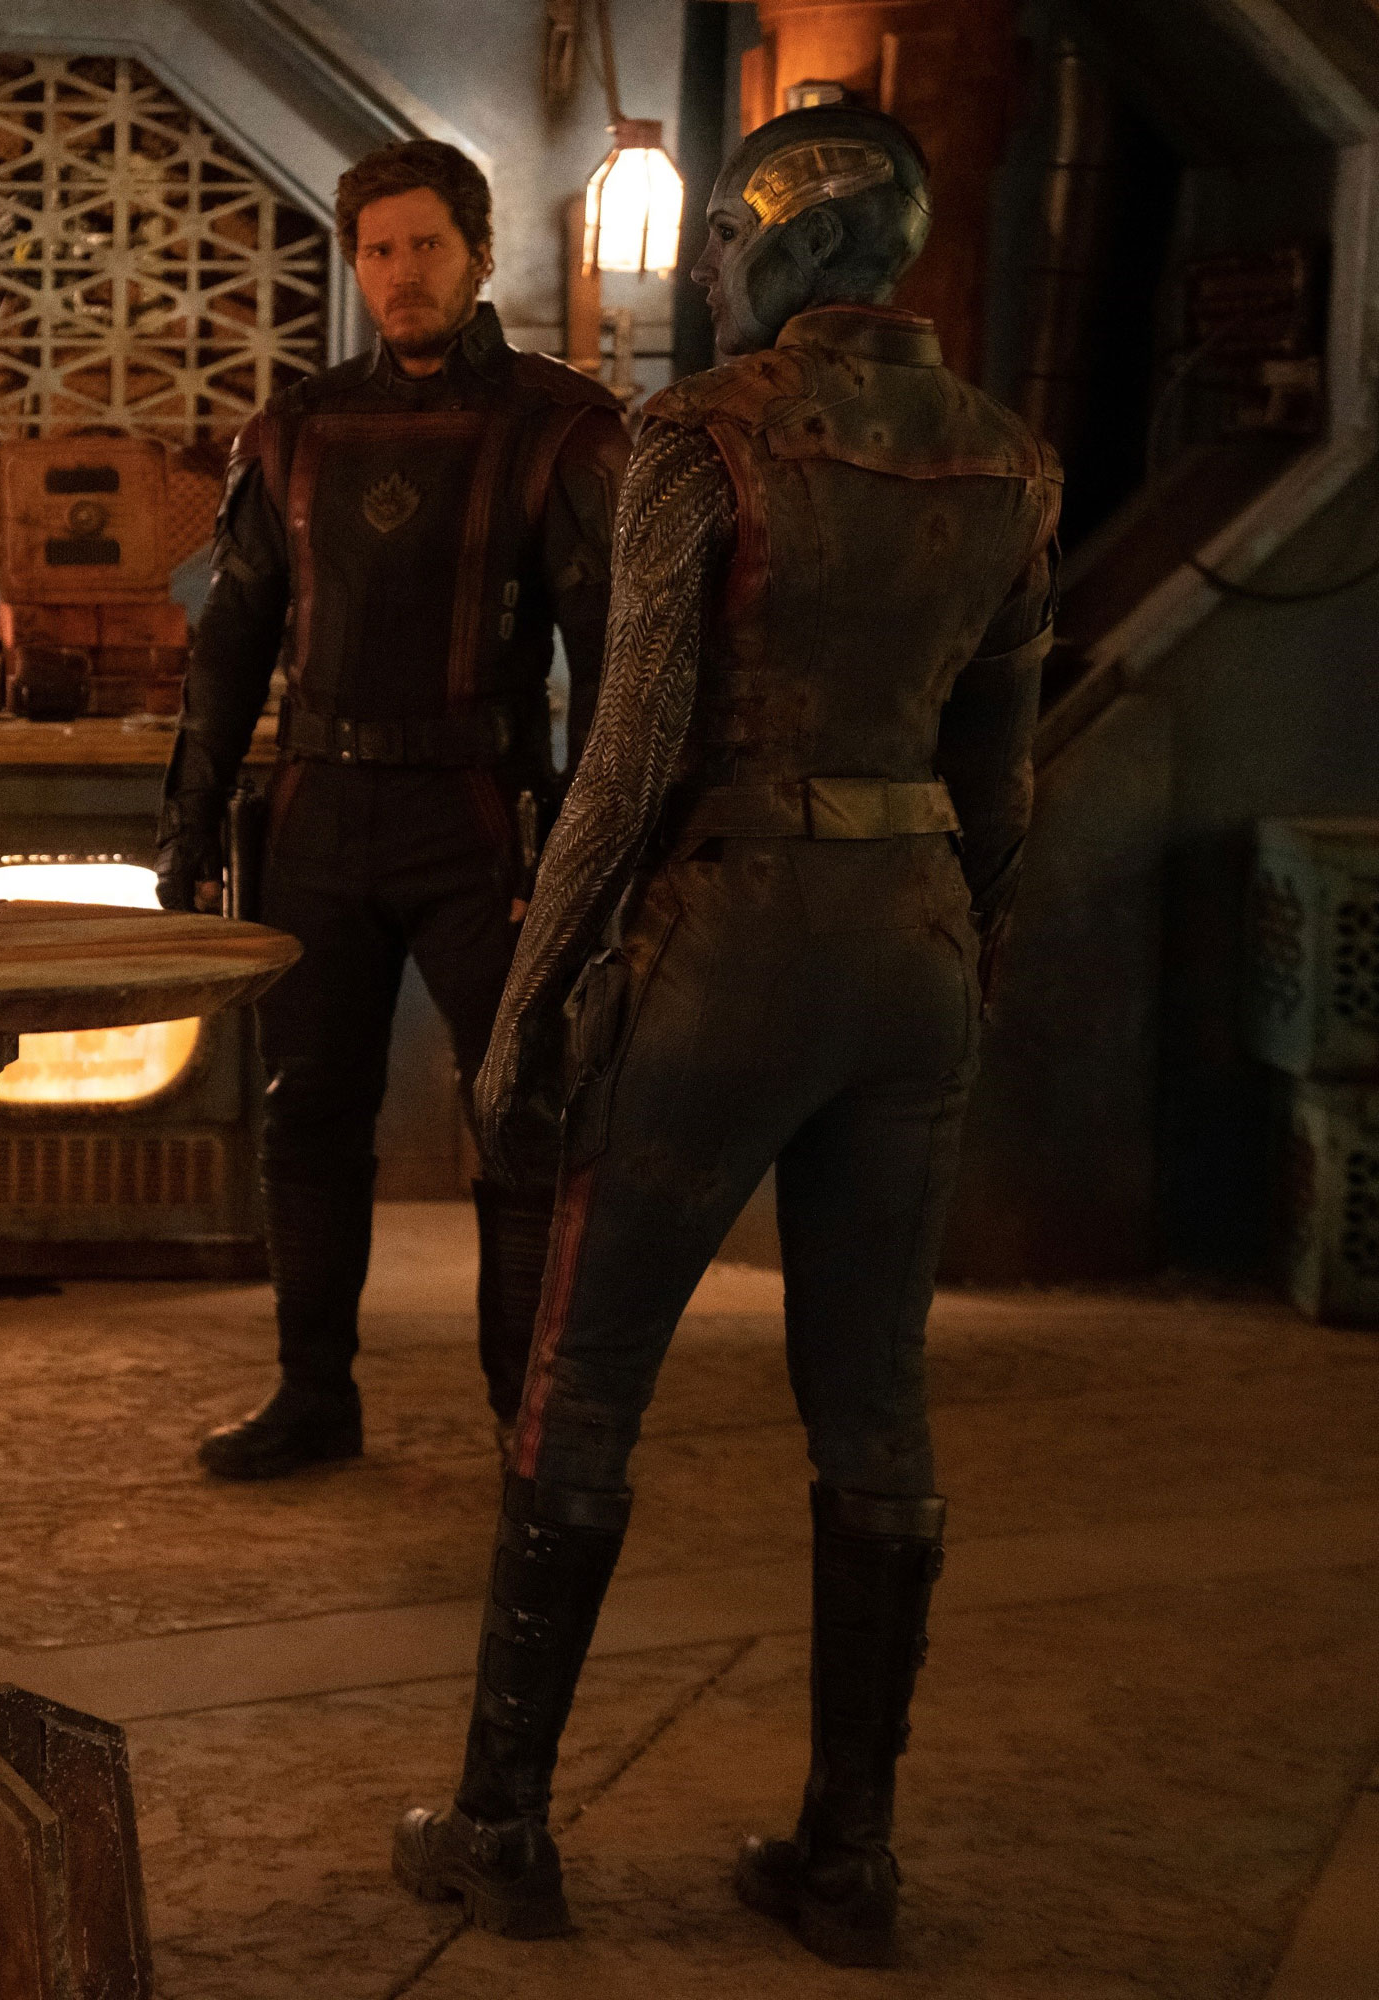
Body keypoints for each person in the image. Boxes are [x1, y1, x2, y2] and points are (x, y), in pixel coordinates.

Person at [393, 107, 1058, 1967]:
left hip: (728, 935)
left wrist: (526, 1010)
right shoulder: (1012, 459)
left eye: (720, 237)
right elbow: (1002, 783)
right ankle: (851, 1860)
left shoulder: (702, 438)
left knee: (584, 1383)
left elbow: (625, 761)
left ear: (785, 243)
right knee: (877, 1407)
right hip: (912, 942)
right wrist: (971, 976)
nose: (701, 273)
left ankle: (504, 1826)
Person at [156, 140, 627, 1481]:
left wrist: (591, 851)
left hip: (480, 812)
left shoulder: (560, 426)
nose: (401, 272)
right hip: (317, 811)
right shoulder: (295, 429)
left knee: (521, 1113)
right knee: (308, 1110)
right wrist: (190, 820)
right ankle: (314, 1395)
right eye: (377, 249)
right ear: (354, 264)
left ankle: (527, 1420)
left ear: (478, 254)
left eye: (425, 245)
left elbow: (610, 665)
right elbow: (232, 639)